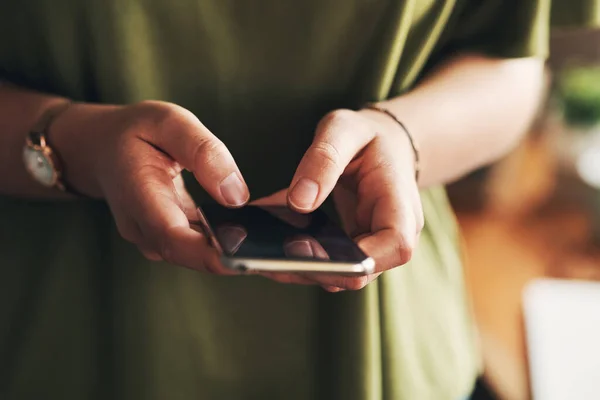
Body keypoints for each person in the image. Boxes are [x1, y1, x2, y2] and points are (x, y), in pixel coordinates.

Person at [0, 1, 594, 399]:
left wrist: (406, 139)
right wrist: (74, 145)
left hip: (388, 348)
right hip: (62, 337)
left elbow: (512, 62)